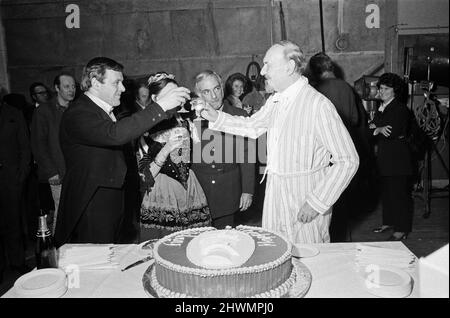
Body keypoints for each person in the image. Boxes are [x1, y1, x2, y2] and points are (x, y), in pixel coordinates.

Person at [199, 41, 359, 243]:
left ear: (290, 67)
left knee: (308, 257)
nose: (263, 71)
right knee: (277, 251)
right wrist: (217, 118)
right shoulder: (276, 100)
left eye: (268, 64)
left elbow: (348, 160)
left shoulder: (317, 105)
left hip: (305, 196)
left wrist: (318, 202)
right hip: (276, 194)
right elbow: (252, 126)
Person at [54, 57, 191, 247]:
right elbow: (115, 134)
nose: (123, 88)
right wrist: (161, 106)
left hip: (111, 198)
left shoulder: (104, 110)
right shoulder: (79, 113)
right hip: (92, 202)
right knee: (97, 259)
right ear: (95, 82)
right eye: (116, 82)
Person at [307, 52, 372, 242]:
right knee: (343, 202)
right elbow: (356, 118)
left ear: (316, 71)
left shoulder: (316, 90)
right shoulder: (346, 87)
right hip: (344, 150)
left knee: (326, 201)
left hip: (325, 155)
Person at [137, 72, 211, 240]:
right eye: (171, 94)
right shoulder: (145, 127)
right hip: (162, 190)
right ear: (156, 99)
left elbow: (198, 150)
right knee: (167, 244)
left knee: (194, 243)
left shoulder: (185, 118)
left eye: (177, 93)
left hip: (190, 187)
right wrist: (166, 148)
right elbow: (145, 177)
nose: (177, 98)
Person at [191, 70, 255, 229]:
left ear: (222, 88)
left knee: (225, 241)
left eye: (216, 89)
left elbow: (247, 155)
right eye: (206, 91)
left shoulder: (238, 115)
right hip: (199, 190)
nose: (213, 96)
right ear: (199, 94)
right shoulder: (190, 118)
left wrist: (247, 190)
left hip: (228, 189)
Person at [30, 73, 76, 232]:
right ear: (57, 88)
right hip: (58, 172)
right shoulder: (44, 111)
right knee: (62, 213)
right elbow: (38, 144)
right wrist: (51, 172)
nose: (71, 90)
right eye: (67, 86)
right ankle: (58, 252)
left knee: (76, 213)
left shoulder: (77, 108)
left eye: (73, 86)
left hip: (77, 171)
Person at [370, 73, 413, 241]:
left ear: (395, 91)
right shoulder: (383, 108)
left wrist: (375, 129)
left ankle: (402, 229)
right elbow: (372, 129)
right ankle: (388, 222)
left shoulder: (400, 109)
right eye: (380, 88)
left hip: (398, 160)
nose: (381, 91)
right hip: (386, 158)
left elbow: (391, 132)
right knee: (387, 194)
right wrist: (377, 129)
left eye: (386, 89)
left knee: (399, 195)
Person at [0, 98, 31, 280]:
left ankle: (17, 262)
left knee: (13, 222)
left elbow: (25, 147)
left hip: (11, 178)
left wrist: (21, 174)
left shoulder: (14, 113)